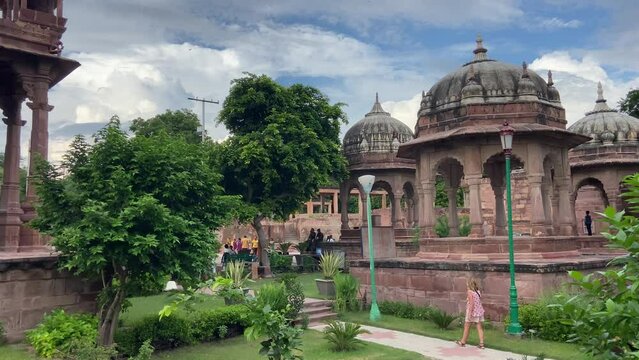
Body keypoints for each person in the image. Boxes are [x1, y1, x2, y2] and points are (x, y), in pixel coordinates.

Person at [456, 278, 485, 349]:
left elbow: (471, 303)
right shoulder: (477, 291)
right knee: (479, 327)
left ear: (469, 284)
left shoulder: (469, 292)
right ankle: (481, 343)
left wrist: (469, 314)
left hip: (472, 312)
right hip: (478, 311)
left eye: (466, 283)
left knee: (467, 326)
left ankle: (463, 342)